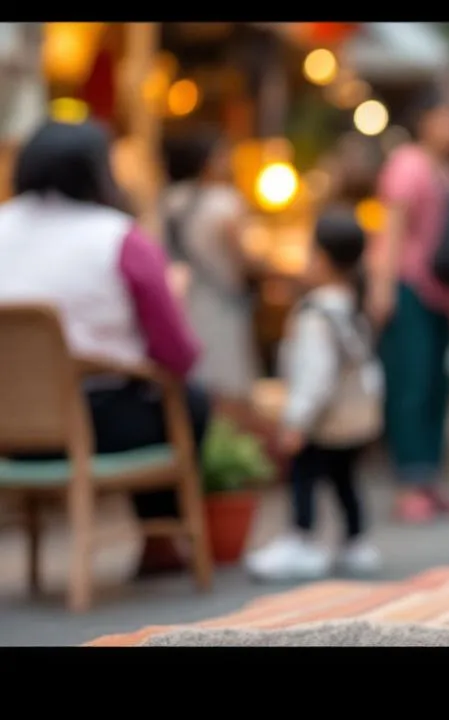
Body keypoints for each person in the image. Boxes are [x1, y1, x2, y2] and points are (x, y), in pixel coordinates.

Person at [0, 119, 209, 577]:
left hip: (10, 436)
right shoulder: (120, 238)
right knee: (190, 400)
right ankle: (159, 541)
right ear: (100, 171)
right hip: (101, 427)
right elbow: (176, 354)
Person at [246, 212, 384, 581]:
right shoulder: (354, 305)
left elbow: (314, 375)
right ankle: (356, 541)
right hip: (354, 417)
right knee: (344, 479)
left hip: (323, 418)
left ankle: (302, 538)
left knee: (304, 476)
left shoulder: (314, 313)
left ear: (321, 259)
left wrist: (296, 421)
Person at [368, 85, 449, 523]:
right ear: (427, 120)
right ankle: (410, 482)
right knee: (410, 384)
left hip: (438, 295)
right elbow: (391, 226)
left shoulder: (443, 168)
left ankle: (427, 478)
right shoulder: (407, 164)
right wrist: (382, 287)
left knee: (433, 384)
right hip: (407, 287)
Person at [160, 129, 263, 423]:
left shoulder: (169, 199)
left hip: (184, 299)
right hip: (223, 301)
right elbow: (243, 256)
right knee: (230, 378)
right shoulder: (225, 202)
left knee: (194, 376)